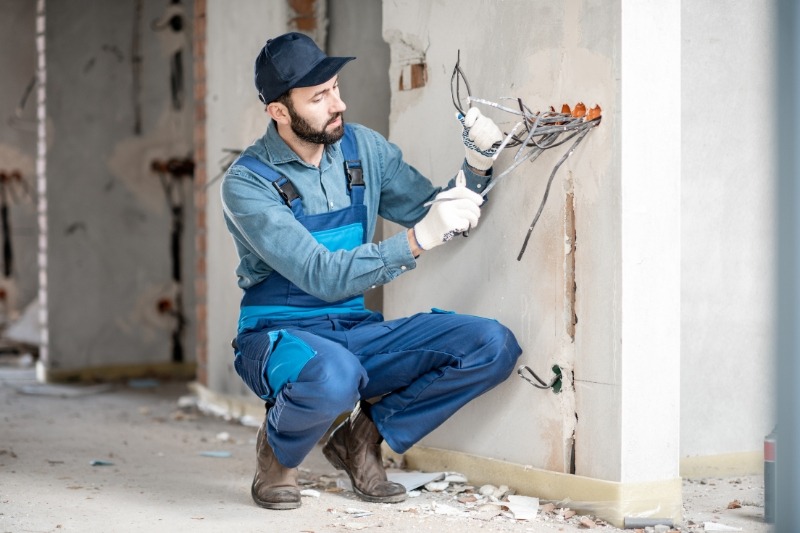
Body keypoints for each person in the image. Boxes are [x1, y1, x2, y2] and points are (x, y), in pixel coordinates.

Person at [220, 32, 522, 511]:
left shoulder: (364, 150)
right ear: (279, 111)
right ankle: (276, 456)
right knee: (334, 376)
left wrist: (477, 165)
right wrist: (418, 239)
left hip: (354, 332)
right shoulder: (247, 183)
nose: (338, 104)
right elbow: (320, 273)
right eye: (319, 97)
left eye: (336, 87)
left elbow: (429, 209)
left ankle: (360, 439)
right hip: (278, 336)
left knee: (491, 344)